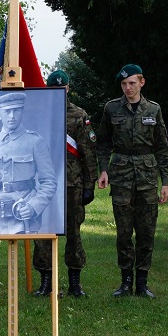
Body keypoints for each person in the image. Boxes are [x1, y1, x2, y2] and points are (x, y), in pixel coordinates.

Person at [96, 64, 168, 298]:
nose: (128, 88)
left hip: (148, 178)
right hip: (121, 176)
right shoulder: (112, 108)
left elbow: (162, 147)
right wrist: (103, 170)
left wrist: (166, 181)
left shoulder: (154, 109)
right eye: (123, 84)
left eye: (131, 83)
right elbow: (103, 142)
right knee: (123, 232)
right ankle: (126, 281)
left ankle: (142, 282)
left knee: (146, 231)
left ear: (142, 82)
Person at [32, 70, 99, 297]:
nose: (58, 92)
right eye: (53, 89)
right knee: (43, 232)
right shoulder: (38, 114)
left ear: (68, 88)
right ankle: (46, 283)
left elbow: (88, 152)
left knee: (73, 233)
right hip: (43, 184)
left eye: (62, 88)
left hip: (72, 183)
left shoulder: (79, 115)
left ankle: (74, 284)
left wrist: (89, 185)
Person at [0, 91, 58, 234]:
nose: (12, 116)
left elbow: (49, 182)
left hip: (23, 215)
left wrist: (33, 207)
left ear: (22, 112)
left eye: (16, 111)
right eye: (7, 111)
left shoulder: (35, 142)